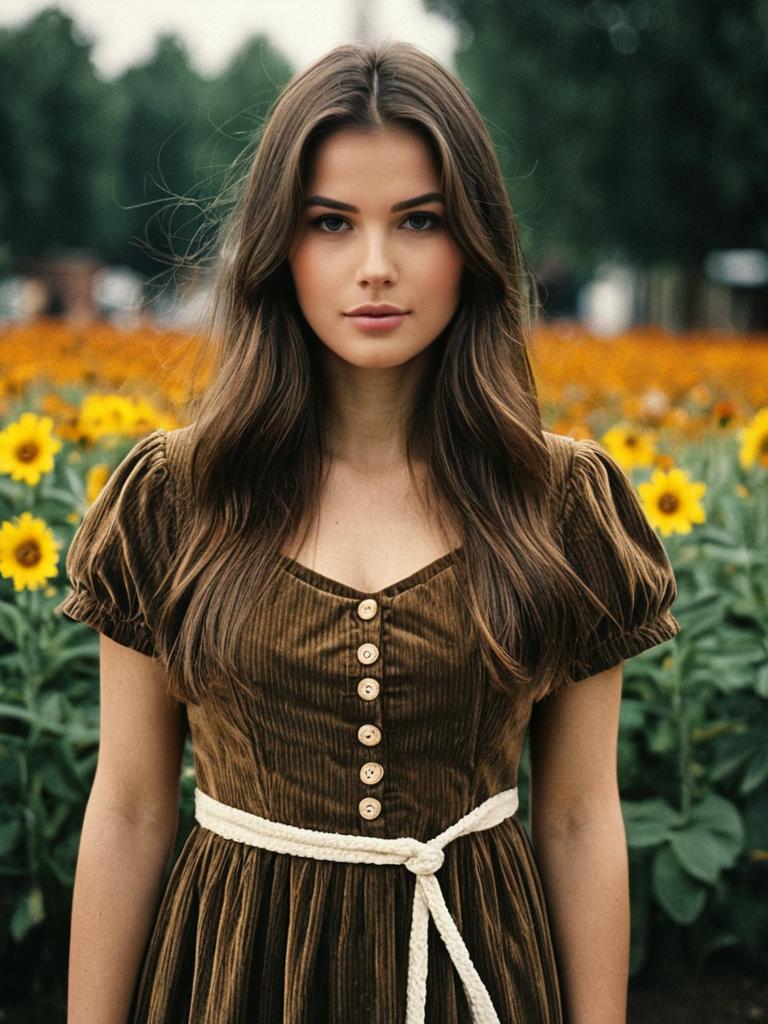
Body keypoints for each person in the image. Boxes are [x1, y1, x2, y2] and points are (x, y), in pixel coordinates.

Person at [57, 40, 681, 1024]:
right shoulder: (176, 497)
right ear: (278, 243)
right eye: (333, 223)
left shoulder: (559, 500)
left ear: (472, 241)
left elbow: (576, 815)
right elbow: (131, 807)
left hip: (477, 976)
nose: (377, 266)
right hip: (237, 977)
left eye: (420, 221)